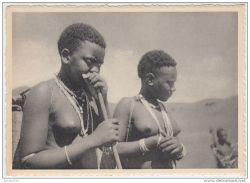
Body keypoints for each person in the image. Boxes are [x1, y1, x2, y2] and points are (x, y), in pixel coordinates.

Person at [13, 23, 120, 169]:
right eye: (90, 61)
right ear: (66, 56)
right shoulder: (44, 92)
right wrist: (91, 140)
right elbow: (28, 160)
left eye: (99, 64)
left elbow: (108, 143)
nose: (95, 69)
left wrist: (103, 98)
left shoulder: (87, 96)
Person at [114, 50, 186, 169]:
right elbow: (112, 149)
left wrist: (180, 148)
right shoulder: (128, 105)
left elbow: (178, 148)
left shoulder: (163, 110)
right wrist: (148, 143)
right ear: (150, 80)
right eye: (169, 83)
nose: (173, 89)